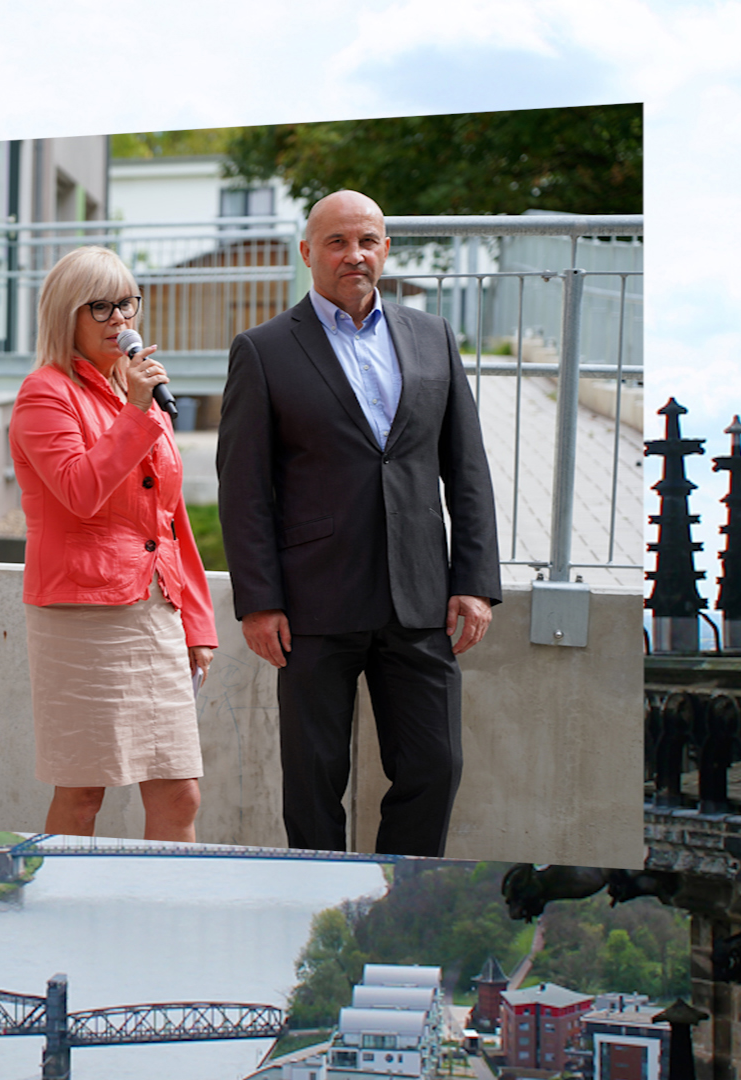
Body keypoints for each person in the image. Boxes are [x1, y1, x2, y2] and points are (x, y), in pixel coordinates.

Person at [216, 189, 500, 858]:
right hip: (314, 601)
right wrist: (259, 602)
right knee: (314, 782)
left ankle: (395, 891)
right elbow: (245, 488)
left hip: (420, 596)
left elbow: (467, 466)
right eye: (338, 242)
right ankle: (312, 899)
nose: (354, 255)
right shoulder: (262, 351)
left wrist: (475, 581)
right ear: (308, 252)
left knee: (436, 765)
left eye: (367, 240)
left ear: (385, 249)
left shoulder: (431, 337)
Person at [8, 245, 217, 840]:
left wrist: (196, 623)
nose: (120, 319)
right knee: (81, 796)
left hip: (155, 613)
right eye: (100, 307)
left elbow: (169, 521)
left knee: (180, 793)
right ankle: (70, 919)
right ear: (65, 316)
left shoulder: (137, 399)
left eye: (127, 302)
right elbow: (79, 491)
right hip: (81, 615)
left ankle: (165, 920)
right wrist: (136, 410)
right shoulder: (44, 393)